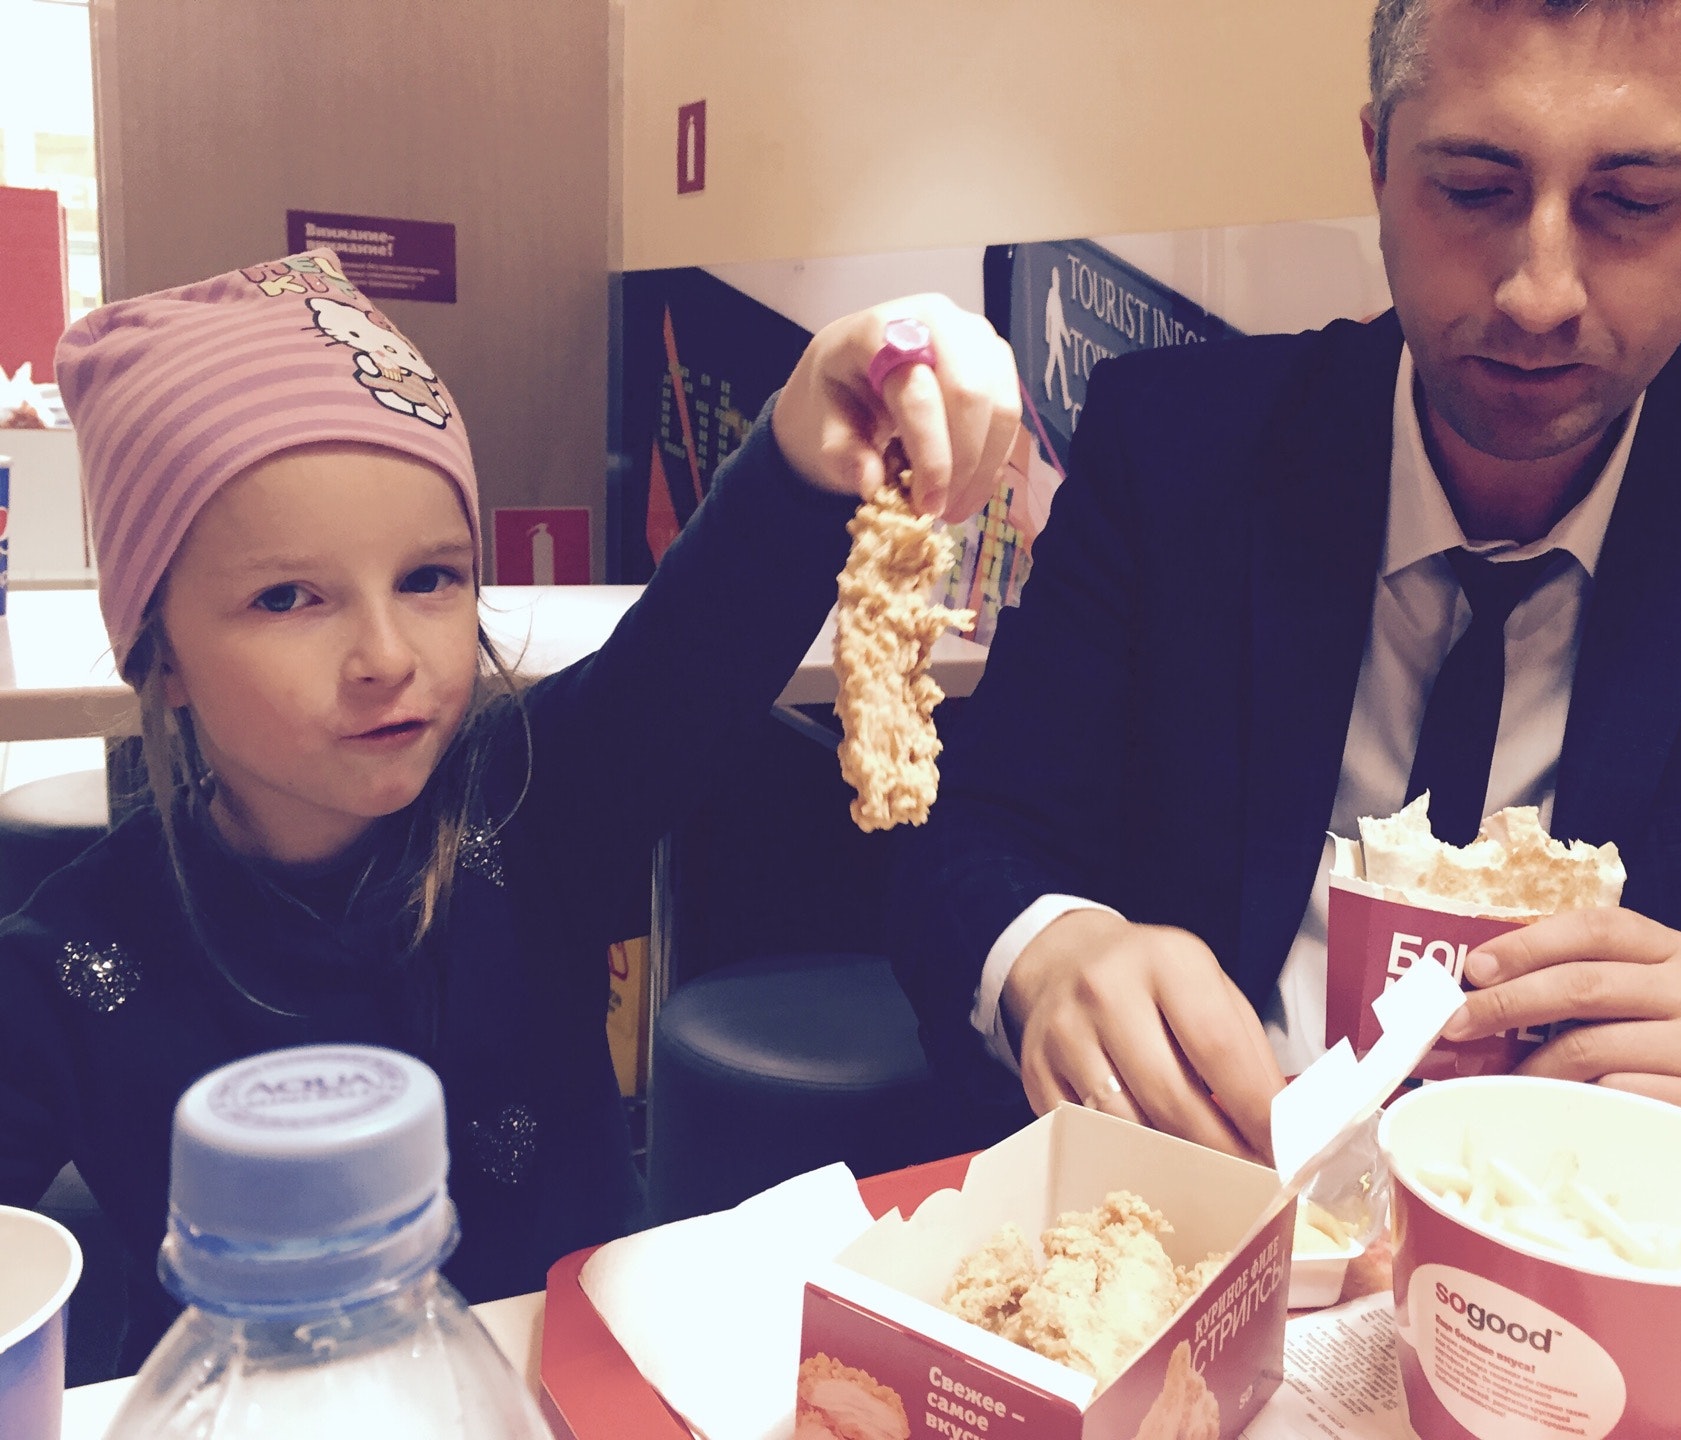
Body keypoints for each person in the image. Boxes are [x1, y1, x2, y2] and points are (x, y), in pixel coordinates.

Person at [891, 0, 1681, 1218]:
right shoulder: (1175, 448)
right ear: (1378, 160)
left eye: (1636, 203)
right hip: (1191, 1219)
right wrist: (1051, 950)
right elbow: (972, 826)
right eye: (1473, 189)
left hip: (1595, 1260)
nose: (1539, 294)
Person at [0, 248, 1019, 1367]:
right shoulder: (73, 961)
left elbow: (693, 651)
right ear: (161, 656)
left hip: (567, 1387)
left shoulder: (534, 807)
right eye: (288, 596)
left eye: (429, 579)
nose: (386, 656)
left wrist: (807, 437)